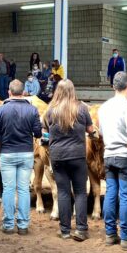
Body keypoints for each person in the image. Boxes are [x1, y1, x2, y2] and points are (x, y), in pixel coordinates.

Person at [44, 79, 94, 242]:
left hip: (58, 156)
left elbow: (45, 129)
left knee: (63, 192)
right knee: (80, 192)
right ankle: (81, 229)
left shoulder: (51, 110)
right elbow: (90, 130)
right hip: (77, 155)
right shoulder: (82, 108)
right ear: (73, 91)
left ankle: (64, 230)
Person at [97, 71, 127, 250]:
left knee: (110, 193)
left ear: (113, 86)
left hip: (109, 155)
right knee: (125, 196)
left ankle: (110, 234)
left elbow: (100, 133)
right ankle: (126, 237)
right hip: (125, 156)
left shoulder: (103, 107)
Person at [0, 79, 42, 235]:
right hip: (26, 153)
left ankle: (7, 225)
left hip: (7, 153)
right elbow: (38, 133)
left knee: (8, 189)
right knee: (23, 190)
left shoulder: (0, 111)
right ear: (24, 92)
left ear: (9, 92)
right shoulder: (32, 110)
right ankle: (23, 225)